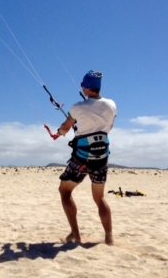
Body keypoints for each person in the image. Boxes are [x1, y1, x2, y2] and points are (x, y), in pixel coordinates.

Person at [53, 70, 117, 246]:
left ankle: (75, 234)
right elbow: (108, 126)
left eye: (83, 85)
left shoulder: (77, 107)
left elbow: (65, 127)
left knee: (64, 192)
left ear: (86, 87)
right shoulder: (112, 104)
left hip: (82, 158)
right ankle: (109, 238)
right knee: (99, 198)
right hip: (101, 157)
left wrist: (58, 133)